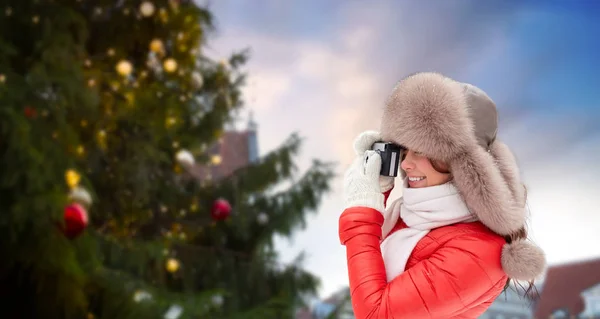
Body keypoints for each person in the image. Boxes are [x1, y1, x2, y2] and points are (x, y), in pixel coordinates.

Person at [339, 72, 546, 319]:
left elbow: (375, 313)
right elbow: (365, 268)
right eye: (404, 150)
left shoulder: (481, 253)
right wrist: (378, 191)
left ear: (463, 165)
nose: (406, 165)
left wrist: (363, 211)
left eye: (422, 151)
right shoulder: (411, 215)